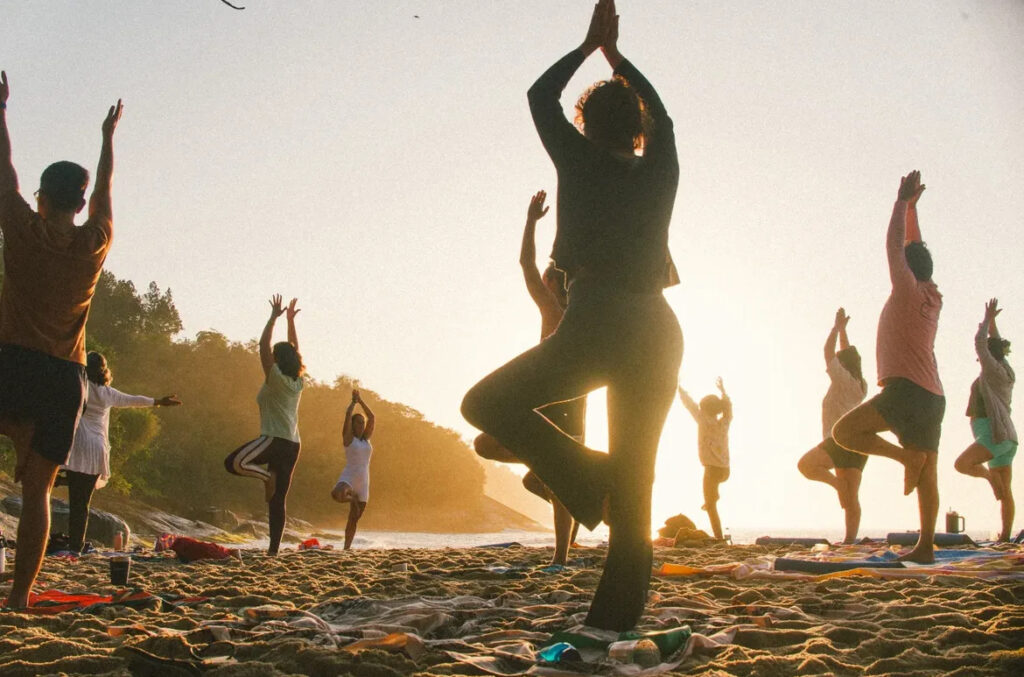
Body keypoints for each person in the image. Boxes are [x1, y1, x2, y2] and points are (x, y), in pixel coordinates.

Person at [461, 0, 683, 631]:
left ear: (587, 126)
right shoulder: (660, 164)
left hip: (600, 320)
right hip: (660, 332)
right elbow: (663, 115)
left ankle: (588, 485)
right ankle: (609, 626)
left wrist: (591, 46)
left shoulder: (579, 159)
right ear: (637, 127)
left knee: (486, 405)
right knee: (636, 493)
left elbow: (539, 96)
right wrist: (620, 61)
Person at [0, 70, 123, 608]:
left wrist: (2, 112)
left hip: (11, 363)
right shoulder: (94, 242)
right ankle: (19, 600)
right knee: (37, 494)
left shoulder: (24, 229)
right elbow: (106, 192)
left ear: (42, 199)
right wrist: (106, 140)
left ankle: (18, 437)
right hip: (64, 380)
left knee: (24, 459)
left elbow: (3, 171)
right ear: (77, 204)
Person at [833, 170, 944, 563]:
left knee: (844, 431)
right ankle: (927, 546)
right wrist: (913, 209)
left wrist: (900, 203)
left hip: (904, 390)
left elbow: (895, 246)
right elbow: (914, 247)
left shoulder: (906, 288)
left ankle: (902, 459)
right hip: (932, 396)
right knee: (928, 472)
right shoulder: (932, 294)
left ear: (908, 270)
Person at [473, 189, 584, 566]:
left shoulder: (556, 307)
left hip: (562, 408)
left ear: (553, 283)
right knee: (496, 451)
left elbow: (526, 264)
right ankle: (574, 491)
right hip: (558, 406)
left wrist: (531, 222)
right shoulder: (582, 313)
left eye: (549, 279)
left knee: (554, 478)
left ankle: (561, 555)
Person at [60, 352, 181, 552]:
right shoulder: (107, 393)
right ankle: (76, 546)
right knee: (84, 504)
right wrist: (159, 401)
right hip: (96, 449)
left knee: (75, 499)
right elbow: (132, 400)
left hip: (79, 447)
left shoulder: (79, 386)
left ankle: (74, 541)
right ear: (104, 371)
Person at [224, 295, 304, 555]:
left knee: (234, 463)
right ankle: (273, 551)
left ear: (278, 360)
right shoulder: (298, 381)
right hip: (293, 444)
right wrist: (291, 321)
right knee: (277, 500)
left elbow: (262, 345)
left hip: (275, 438)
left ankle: (265, 477)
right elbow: (295, 348)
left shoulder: (276, 377)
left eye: (274, 356)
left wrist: (273, 318)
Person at [796, 309, 869, 543]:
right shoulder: (860, 384)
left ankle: (836, 484)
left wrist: (835, 329)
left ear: (844, 365)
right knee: (851, 498)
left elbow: (828, 352)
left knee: (806, 466)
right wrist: (844, 331)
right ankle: (849, 541)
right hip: (858, 444)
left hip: (838, 439)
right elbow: (845, 354)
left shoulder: (841, 379)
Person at [955, 299, 1016, 541]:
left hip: (993, 434)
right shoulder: (1006, 369)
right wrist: (993, 323)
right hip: (1006, 439)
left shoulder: (993, 371)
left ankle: (989, 479)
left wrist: (987, 321)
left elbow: (981, 344)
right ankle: (1005, 539)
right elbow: (994, 345)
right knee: (1006, 492)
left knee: (962, 465)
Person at [678, 378, 732, 540]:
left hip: (712, 470)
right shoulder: (724, 423)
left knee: (711, 506)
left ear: (704, 409)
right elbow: (728, 409)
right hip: (725, 470)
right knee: (711, 498)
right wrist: (723, 392)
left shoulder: (702, 420)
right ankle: (711, 496)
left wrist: (679, 387)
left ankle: (718, 538)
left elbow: (689, 404)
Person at [331, 390, 376, 549]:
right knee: (337, 494)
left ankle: (346, 548)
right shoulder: (349, 439)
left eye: (362, 423)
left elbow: (372, 417)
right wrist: (353, 402)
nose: (361, 425)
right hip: (349, 476)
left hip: (363, 481)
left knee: (354, 519)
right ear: (352, 424)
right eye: (358, 422)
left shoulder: (366, 440)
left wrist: (361, 400)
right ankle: (352, 499)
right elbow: (348, 414)